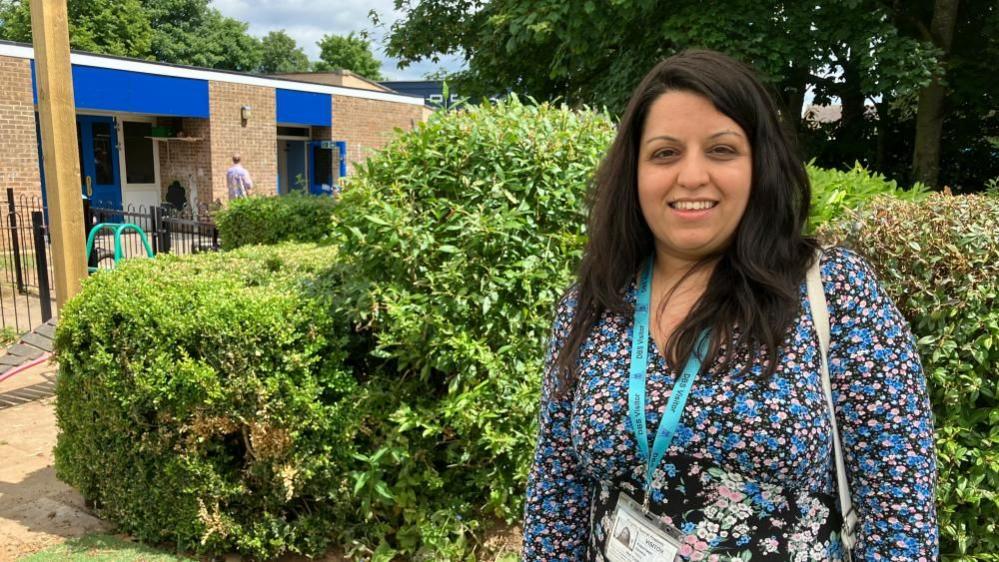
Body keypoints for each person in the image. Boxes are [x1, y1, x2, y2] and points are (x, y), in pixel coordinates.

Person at [522, 50, 938, 561]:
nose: (692, 176)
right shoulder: (593, 306)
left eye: (721, 150)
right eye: (665, 153)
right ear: (633, 172)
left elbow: (901, 510)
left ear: (760, 164)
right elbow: (555, 500)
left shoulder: (834, 293)